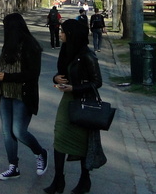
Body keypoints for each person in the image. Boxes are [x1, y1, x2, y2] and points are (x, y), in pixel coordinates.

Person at [44, 19, 107, 194]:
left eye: (63, 32)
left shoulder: (87, 55)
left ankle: (84, 180)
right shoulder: (67, 50)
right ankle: (58, 180)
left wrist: (75, 88)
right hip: (68, 99)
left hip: (84, 102)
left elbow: (97, 82)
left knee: (82, 142)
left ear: (72, 34)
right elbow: (63, 73)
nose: (60, 34)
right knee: (59, 135)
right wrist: (56, 78)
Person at [0, 13, 49, 181]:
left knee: (18, 131)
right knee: (6, 132)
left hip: (23, 95)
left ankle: (40, 153)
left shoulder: (30, 46)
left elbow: (33, 74)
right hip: (5, 93)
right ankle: (13, 167)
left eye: (6, 27)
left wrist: (7, 77)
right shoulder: (8, 45)